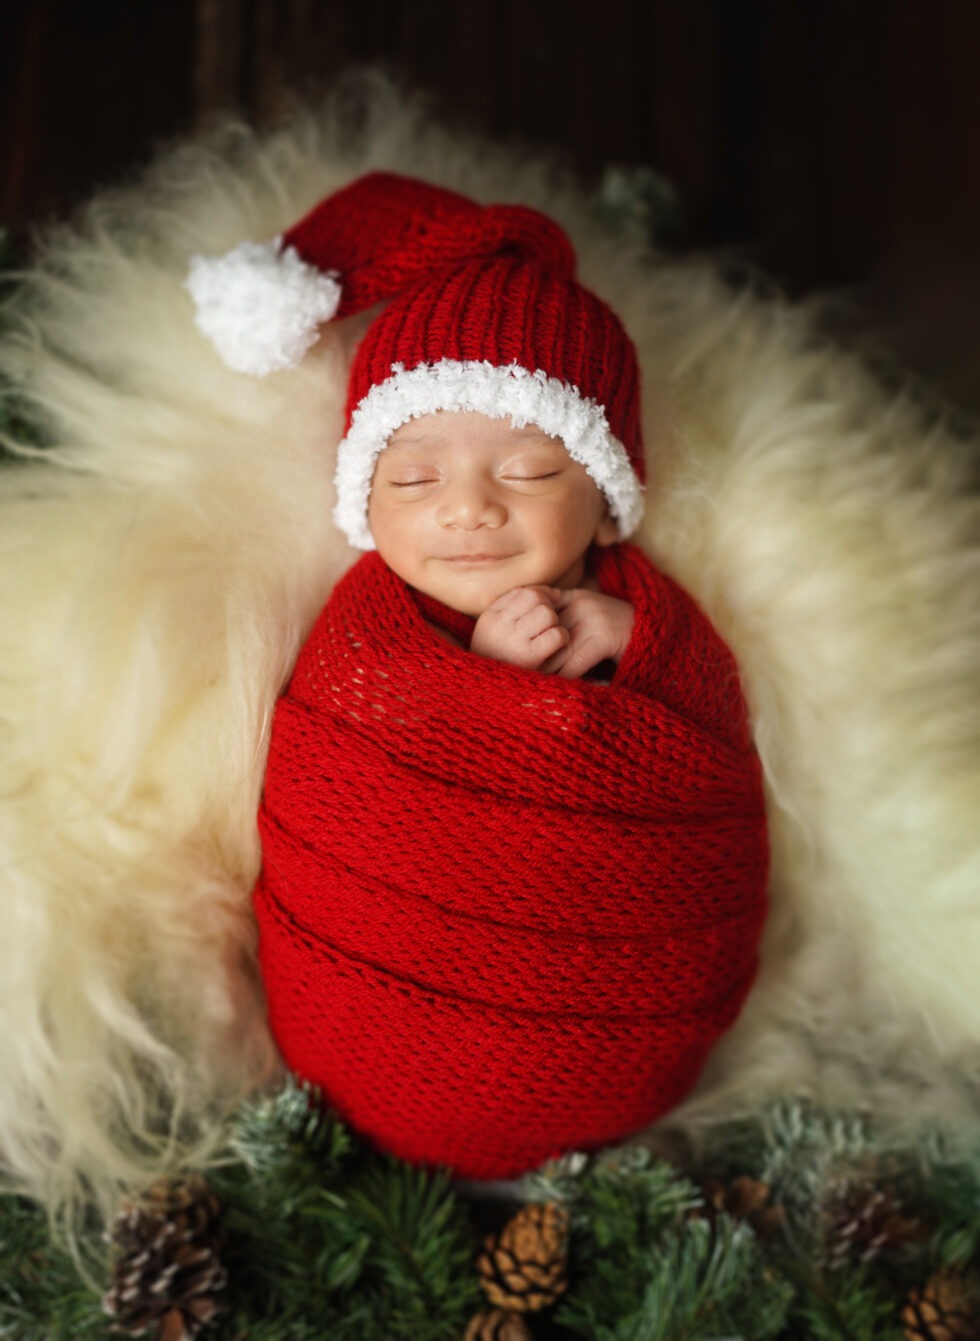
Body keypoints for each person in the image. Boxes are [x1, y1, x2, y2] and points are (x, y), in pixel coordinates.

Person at [189, 171, 770, 1182]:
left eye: (528, 471)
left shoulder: (644, 609)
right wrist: (486, 690)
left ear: (603, 498)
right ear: (367, 500)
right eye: (413, 476)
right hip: (365, 1018)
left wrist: (639, 639)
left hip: (609, 1019)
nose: (465, 509)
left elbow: (709, 749)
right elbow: (347, 785)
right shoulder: (363, 633)